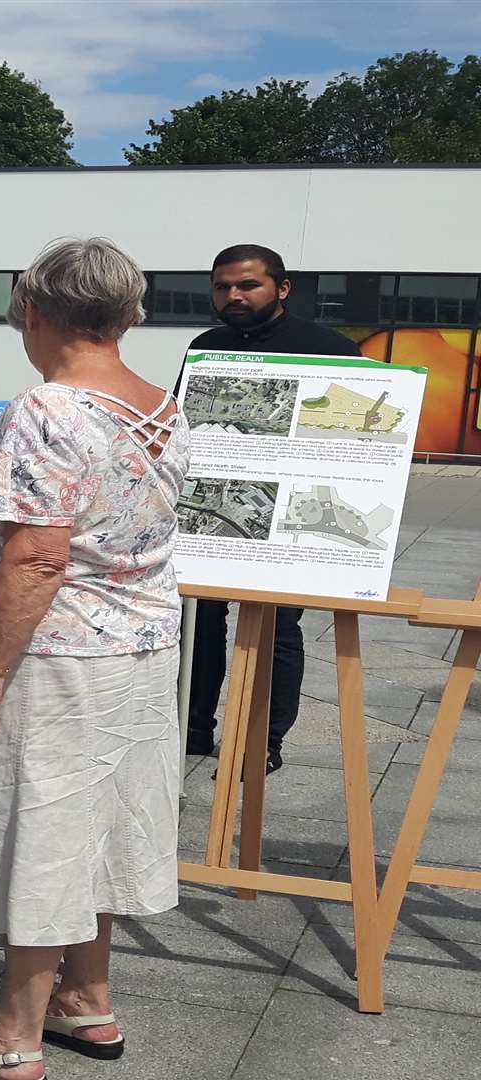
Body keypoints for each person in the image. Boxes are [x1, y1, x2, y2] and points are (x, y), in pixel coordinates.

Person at [0, 238, 189, 1080]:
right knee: (95, 825)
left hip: (55, 657)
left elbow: (37, 557)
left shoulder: (50, 410)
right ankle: (83, 999)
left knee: (45, 830)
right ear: (128, 312)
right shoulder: (161, 404)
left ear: (34, 309)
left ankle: (10, 1038)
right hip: (137, 646)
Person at [181, 244, 360, 774]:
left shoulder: (332, 348)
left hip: (293, 512)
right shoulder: (206, 346)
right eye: (221, 287)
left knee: (277, 625)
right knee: (199, 617)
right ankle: (191, 729)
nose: (232, 296)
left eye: (246, 285)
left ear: (282, 288)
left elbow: (356, 437)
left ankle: (264, 740)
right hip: (213, 505)